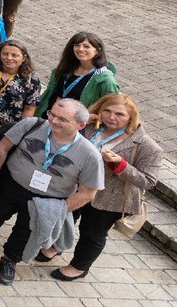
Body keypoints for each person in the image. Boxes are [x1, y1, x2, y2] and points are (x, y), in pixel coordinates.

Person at [0, 99, 104, 286]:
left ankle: (10, 260)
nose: (53, 121)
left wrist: (58, 209)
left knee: (26, 232)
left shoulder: (89, 155)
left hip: (47, 199)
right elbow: (2, 148)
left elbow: (88, 193)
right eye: (52, 114)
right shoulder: (32, 125)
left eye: (62, 119)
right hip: (10, 183)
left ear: (80, 125)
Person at [47, 95, 161, 280]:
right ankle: (56, 246)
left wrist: (120, 165)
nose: (111, 117)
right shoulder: (91, 127)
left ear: (131, 117)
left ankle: (79, 266)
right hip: (77, 187)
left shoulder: (146, 146)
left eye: (119, 114)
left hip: (108, 198)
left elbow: (148, 180)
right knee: (64, 217)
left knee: (92, 233)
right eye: (107, 110)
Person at [0, 39, 42, 128]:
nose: (9, 58)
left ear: (23, 58)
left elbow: (29, 109)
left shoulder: (32, 80)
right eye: (5, 54)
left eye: (15, 55)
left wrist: (21, 130)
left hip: (8, 129)